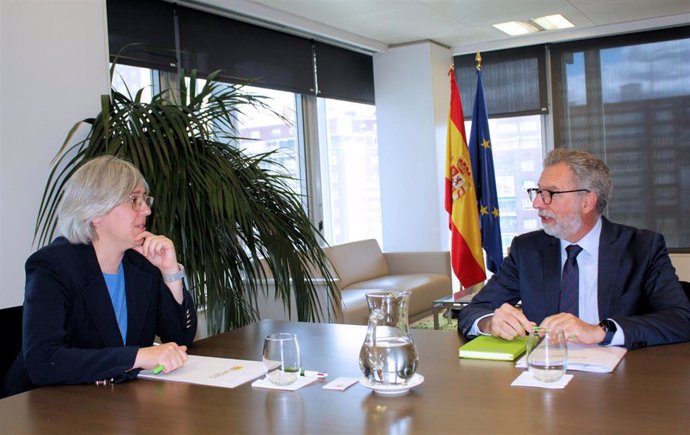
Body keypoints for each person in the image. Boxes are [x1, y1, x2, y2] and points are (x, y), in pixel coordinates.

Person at [2, 155, 197, 397]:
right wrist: (138, 356)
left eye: (145, 200)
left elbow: (180, 339)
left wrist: (170, 272)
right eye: (134, 200)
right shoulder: (52, 266)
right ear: (96, 211)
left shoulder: (140, 264)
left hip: (112, 402)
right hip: (44, 408)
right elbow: (44, 361)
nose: (147, 209)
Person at [458, 149, 690, 349]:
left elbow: (680, 319)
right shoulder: (527, 249)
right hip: (544, 373)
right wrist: (489, 322)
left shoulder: (642, 248)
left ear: (587, 201)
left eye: (550, 193)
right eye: (537, 192)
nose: (537, 203)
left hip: (622, 379)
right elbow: (474, 311)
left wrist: (601, 331)